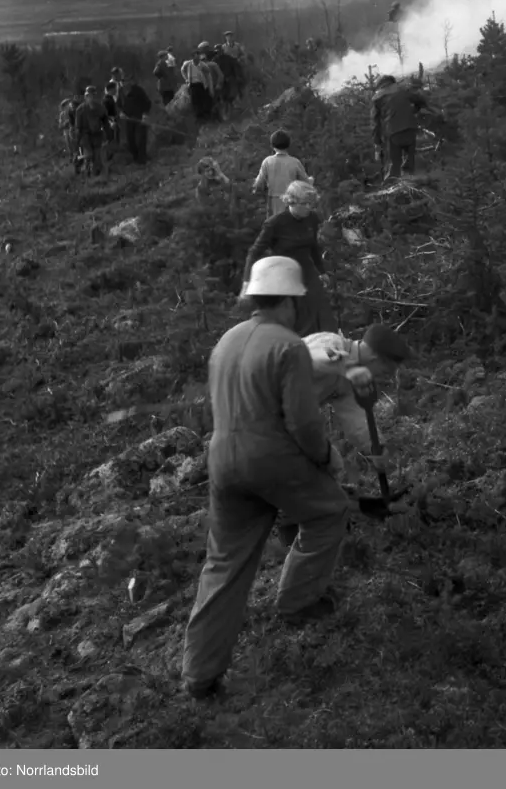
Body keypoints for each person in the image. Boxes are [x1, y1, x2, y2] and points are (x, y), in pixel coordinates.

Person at [180, 256, 352, 700]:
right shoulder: (289, 346)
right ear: (291, 301)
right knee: (330, 511)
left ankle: (200, 676)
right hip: (269, 456)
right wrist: (327, 458)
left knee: (224, 561)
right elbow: (303, 422)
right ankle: (297, 603)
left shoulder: (225, 341)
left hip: (221, 460)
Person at [302, 324, 415, 477]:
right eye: (384, 371)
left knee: (332, 465)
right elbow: (314, 356)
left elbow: (356, 416)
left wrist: (376, 447)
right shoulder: (330, 342)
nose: (380, 377)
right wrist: (348, 367)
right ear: (375, 359)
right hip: (264, 404)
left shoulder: (348, 383)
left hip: (286, 421)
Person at [242, 180, 335, 336]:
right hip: (284, 274)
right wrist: (246, 283)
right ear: (292, 201)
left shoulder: (311, 218)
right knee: (296, 314)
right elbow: (254, 252)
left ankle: (326, 344)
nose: (309, 208)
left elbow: (313, 246)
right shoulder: (275, 223)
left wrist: (321, 271)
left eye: (311, 204)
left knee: (319, 307)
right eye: (305, 204)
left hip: (307, 270)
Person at [372, 75, 429, 180]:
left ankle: (392, 187)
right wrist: (414, 111)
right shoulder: (403, 91)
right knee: (409, 162)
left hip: (393, 133)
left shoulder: (378, 99)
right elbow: (421, 100)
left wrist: (377, 144)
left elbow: (376, 124)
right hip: (410, 129)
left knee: (393, 165)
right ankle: (410, 185)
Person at [252, 130, 310, 219]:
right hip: (291, 203)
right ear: (288, 144)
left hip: (273, 202)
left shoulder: (267, 161)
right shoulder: (295, 162)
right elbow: (306, 183)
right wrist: (311, 180)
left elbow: (259, 184)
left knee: (274, 227)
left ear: (272, 145)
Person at [118, 72, 153, 165]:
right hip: (128, 119)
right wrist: (121, 113)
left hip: (140, 118)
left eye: (125, 81)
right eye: (122, 81)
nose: (124, 83)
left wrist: (145, 114)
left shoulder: (138, 90)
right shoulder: (121, 91)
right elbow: (118, 105)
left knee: (141, 138)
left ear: (130, 81)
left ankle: (142, 159)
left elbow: (147, 103)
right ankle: (135, 157)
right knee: (130, 139)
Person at [75, 86, 109, 178]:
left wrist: (107, 135)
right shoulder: (80, 109)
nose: (91, 98)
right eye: (89, 96)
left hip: (97, 134)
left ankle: (95, 174)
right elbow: (78, 126)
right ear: (86, 97)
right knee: (88, 155)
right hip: (85, 135)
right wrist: (77, 140)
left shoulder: (100, 108)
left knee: (97, 156)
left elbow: (105, 121)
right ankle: (87, 172)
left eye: (93, 96)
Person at [182, 47, 213, 122]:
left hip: (201, 84)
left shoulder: (202, 64)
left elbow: (208, 71)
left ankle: (204, 116)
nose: (198, 57)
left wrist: (208, 81)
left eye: (199, 55)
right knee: (195, 101)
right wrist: (186, 79)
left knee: (203, 100)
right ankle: (198, 117)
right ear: (193, 56)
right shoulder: (188, 64)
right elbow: (182, 70)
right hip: (193, 85)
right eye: (196, 55)